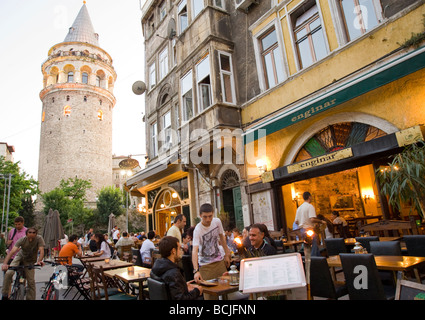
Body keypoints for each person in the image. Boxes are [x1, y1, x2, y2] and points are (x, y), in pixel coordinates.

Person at [151, 236, 203, 300]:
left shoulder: (156, 268)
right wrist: (197, 291)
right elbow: (181, 298)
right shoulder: (173, 273)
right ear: (173, 251)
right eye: (179, 249)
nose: (180, 251)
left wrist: (183, 286)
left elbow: (168, 289)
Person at [192, 203, 231, 286]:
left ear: (213, 213)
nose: (208, 219)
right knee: (209, 293)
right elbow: (194, 251)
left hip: (219, 262)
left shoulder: (217, 222)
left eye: (210, 216)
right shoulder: (198, 229)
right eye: (205, 217)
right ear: (200, 216)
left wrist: (227, 254)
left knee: (225, 288)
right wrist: (196, 270)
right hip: (205, 265)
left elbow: (222, 238)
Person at [1, 227, 45, 300]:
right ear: (26, 234)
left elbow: (41, 250)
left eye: (34, 233)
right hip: (20, 257)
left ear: (36, 234)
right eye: (30, 232)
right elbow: (12, 252)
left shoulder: (39, 239)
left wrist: (39, 260)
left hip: (30, 260)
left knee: (31, 281)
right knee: (9, 273)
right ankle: (5, 294)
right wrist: (5, 264)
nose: (31, 234)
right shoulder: (22, 239)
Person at [294, 191, 325, 256]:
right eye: (311, 197)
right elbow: (312, 219)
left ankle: (311, 261)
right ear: (309, 197)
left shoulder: (299, 208)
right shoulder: (310, 206)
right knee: (314, 247)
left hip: (302, 230)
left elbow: (296, 221)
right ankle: (315, 261)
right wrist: (321, 221)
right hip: (309, 229)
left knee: (308, 248)